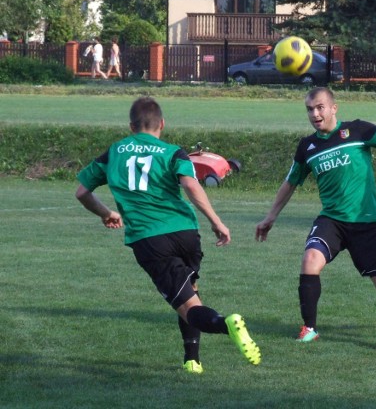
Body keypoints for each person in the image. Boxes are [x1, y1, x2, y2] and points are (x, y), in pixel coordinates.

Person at [75, 96, 261, 373]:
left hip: (150, 239)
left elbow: (81, 191)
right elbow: (190, 184)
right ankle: (192, 361)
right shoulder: (173, 151)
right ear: (162, 123)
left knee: (188, 307)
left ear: (131, 126)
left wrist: (105, 213)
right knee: (191, 293)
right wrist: (216, 221)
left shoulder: (113, 153)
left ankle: (226, 323)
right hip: (186, 233)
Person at [255, 87, 376, 343]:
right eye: (309, 109)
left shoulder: (359, 131)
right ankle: (310, 328)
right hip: (332, 221)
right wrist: (270, 216)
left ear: (333, 108)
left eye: (320, 107)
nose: (315, 114)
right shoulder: (307, 146)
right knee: (310, 261)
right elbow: (290, 182)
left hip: (366, 222)